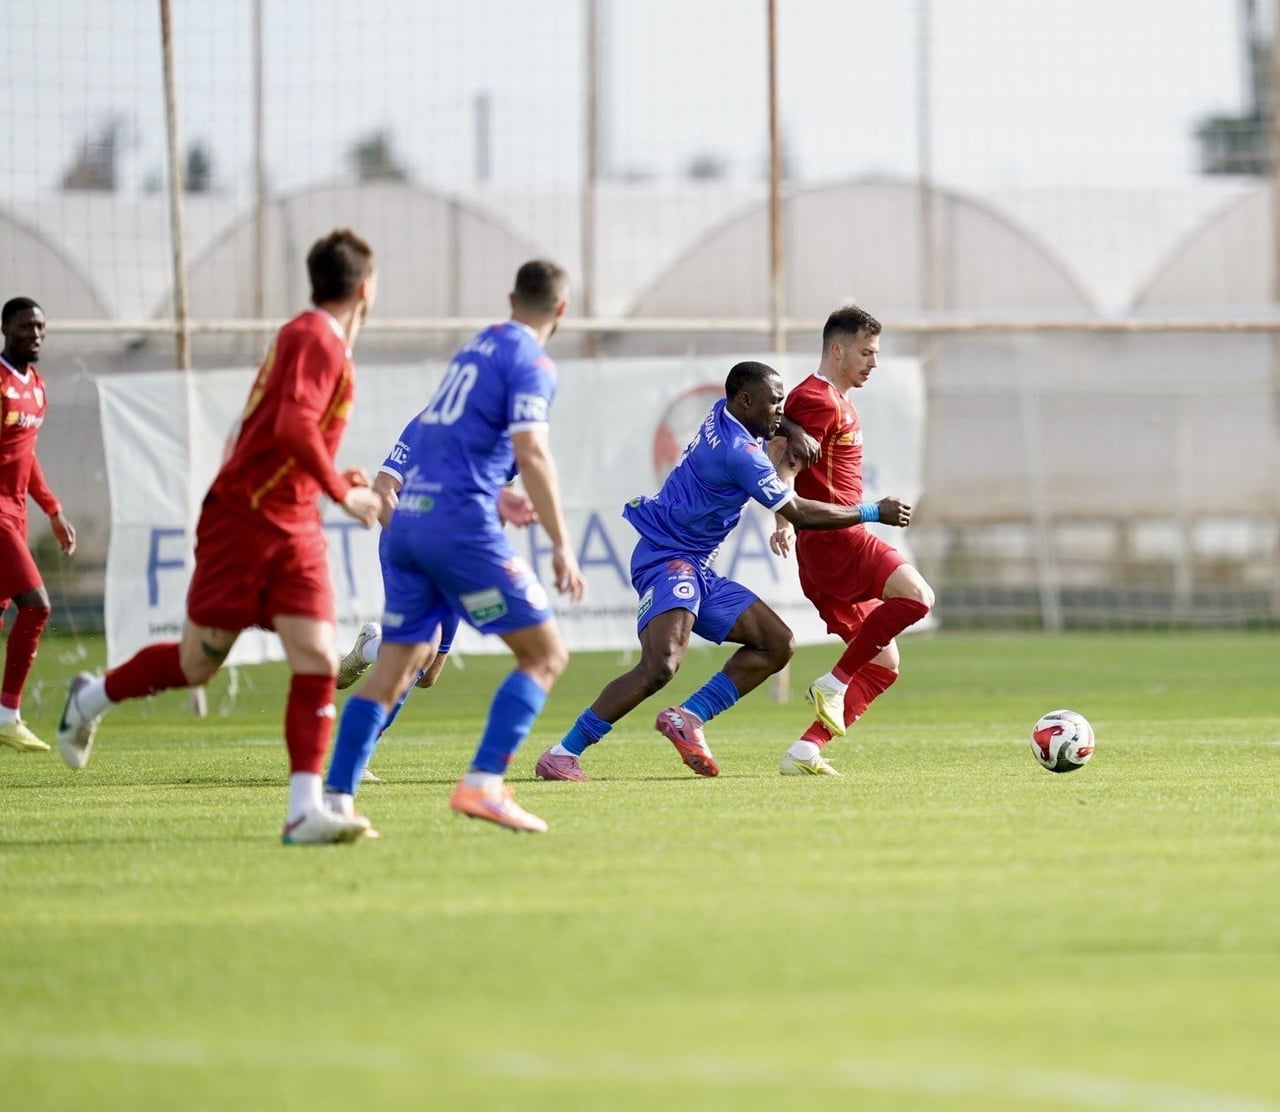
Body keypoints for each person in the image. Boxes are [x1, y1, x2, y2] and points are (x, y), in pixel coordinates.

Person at [56, 229, 385, 845]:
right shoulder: (316, 337)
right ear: (366, 287)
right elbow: (289, 425)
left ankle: (303, 810)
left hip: (292, 526)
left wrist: (330, 479)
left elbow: (259, 434)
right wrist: (344, 494)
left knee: (316, 659)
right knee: (196, 664)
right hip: (244, 523)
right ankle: (90, 697)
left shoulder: (310, 338)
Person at [535, 359, 908, 782]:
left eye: (782, 402)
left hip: (697, 565)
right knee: (660, 665)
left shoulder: (723, 411)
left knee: (776, 643)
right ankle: (562, 753)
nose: (780, 411)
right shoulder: (741, 455)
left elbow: (771, 422)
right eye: (773, 404)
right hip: (667, 557)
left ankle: (688, 717)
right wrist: (873, 511)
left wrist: (790, 429)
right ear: (745, 401)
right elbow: (799, 513)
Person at [322, 259, 585, 834]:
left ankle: (334, 801)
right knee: (545, 656)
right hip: (457, 529)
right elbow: (533, 451)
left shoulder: (474, 350)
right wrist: (562, 543)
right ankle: (484, 784)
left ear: (511, 296)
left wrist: (500, 496)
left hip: (412, 527)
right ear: (561, 310)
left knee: (401, 666)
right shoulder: (532, 362)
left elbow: (444, 444)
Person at [768, 304, 934, 776]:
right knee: (919, 597)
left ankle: (804, 751)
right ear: (837, 349)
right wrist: (784, 518)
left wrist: (784, 519)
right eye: (865, 352)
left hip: (826, 549)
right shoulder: (818, 399)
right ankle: (834, 682)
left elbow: (784, 452)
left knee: (883, 665)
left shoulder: (832, 398)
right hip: (838, 541)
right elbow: (787, 459)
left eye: (876, 353)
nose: (873, 362)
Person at [327, 478, 538, 786]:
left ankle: (371, 647)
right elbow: (384, 486)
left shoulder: (504, 438)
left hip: (460, 554)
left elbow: (496, 502)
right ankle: (356, 762)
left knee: (427, 674)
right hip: (414, 543)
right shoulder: (424, 429)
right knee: (422, 648)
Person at [0, 297, 77, 752]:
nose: (36, 333)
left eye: (42, 326)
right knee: (37, 605)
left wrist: (53, 510)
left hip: (17, 514)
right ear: (6, 327)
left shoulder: (38, 387)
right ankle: (8, 714)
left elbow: (24, 459)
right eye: (27, 325)